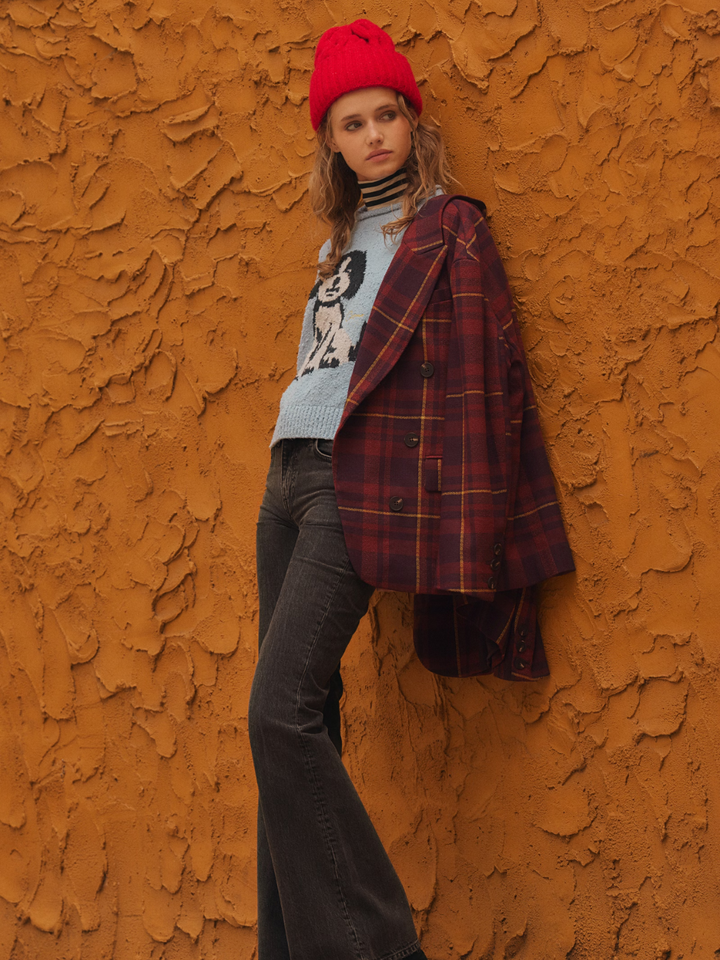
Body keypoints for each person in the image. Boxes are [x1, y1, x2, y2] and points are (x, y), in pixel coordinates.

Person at [248, 18, 574, 960]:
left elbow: (484, 377)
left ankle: (380, 948)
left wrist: (468, 526)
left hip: (359, 480)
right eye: (350, 124)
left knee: (278, 709)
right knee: (298, 729)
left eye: (385, 113)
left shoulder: (449, 227)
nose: (372, 136)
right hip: (285, 477)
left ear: (411, 120)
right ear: (332, 143)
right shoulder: (339, 235)